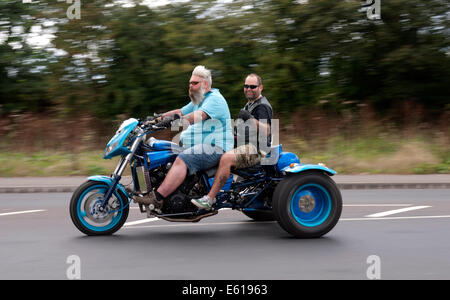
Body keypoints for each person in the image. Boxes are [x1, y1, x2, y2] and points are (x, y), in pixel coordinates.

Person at [135, 65, 234, 211]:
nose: (191, 86)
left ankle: (157, 198)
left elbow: (196, 116)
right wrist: (157, 119)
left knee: (182, 159)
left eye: (195, 83)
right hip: (201, 146)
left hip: (217, 147)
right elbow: (180, 112)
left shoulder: (214, 100)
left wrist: (172, 121)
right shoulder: (200, 99)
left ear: (205, 84)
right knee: (167, 153)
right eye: (190, 83)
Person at [191, 73, 273, 210]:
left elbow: (268, 130)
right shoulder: (249, 104)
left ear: (261, 87)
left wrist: (250, 119)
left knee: (226, 159)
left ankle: (209, 199)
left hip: (258, 150)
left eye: (253, 86)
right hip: (246, 145)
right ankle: (197, 188)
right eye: (246, 86)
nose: (248, 89)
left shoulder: (262, 106)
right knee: (212, 150)